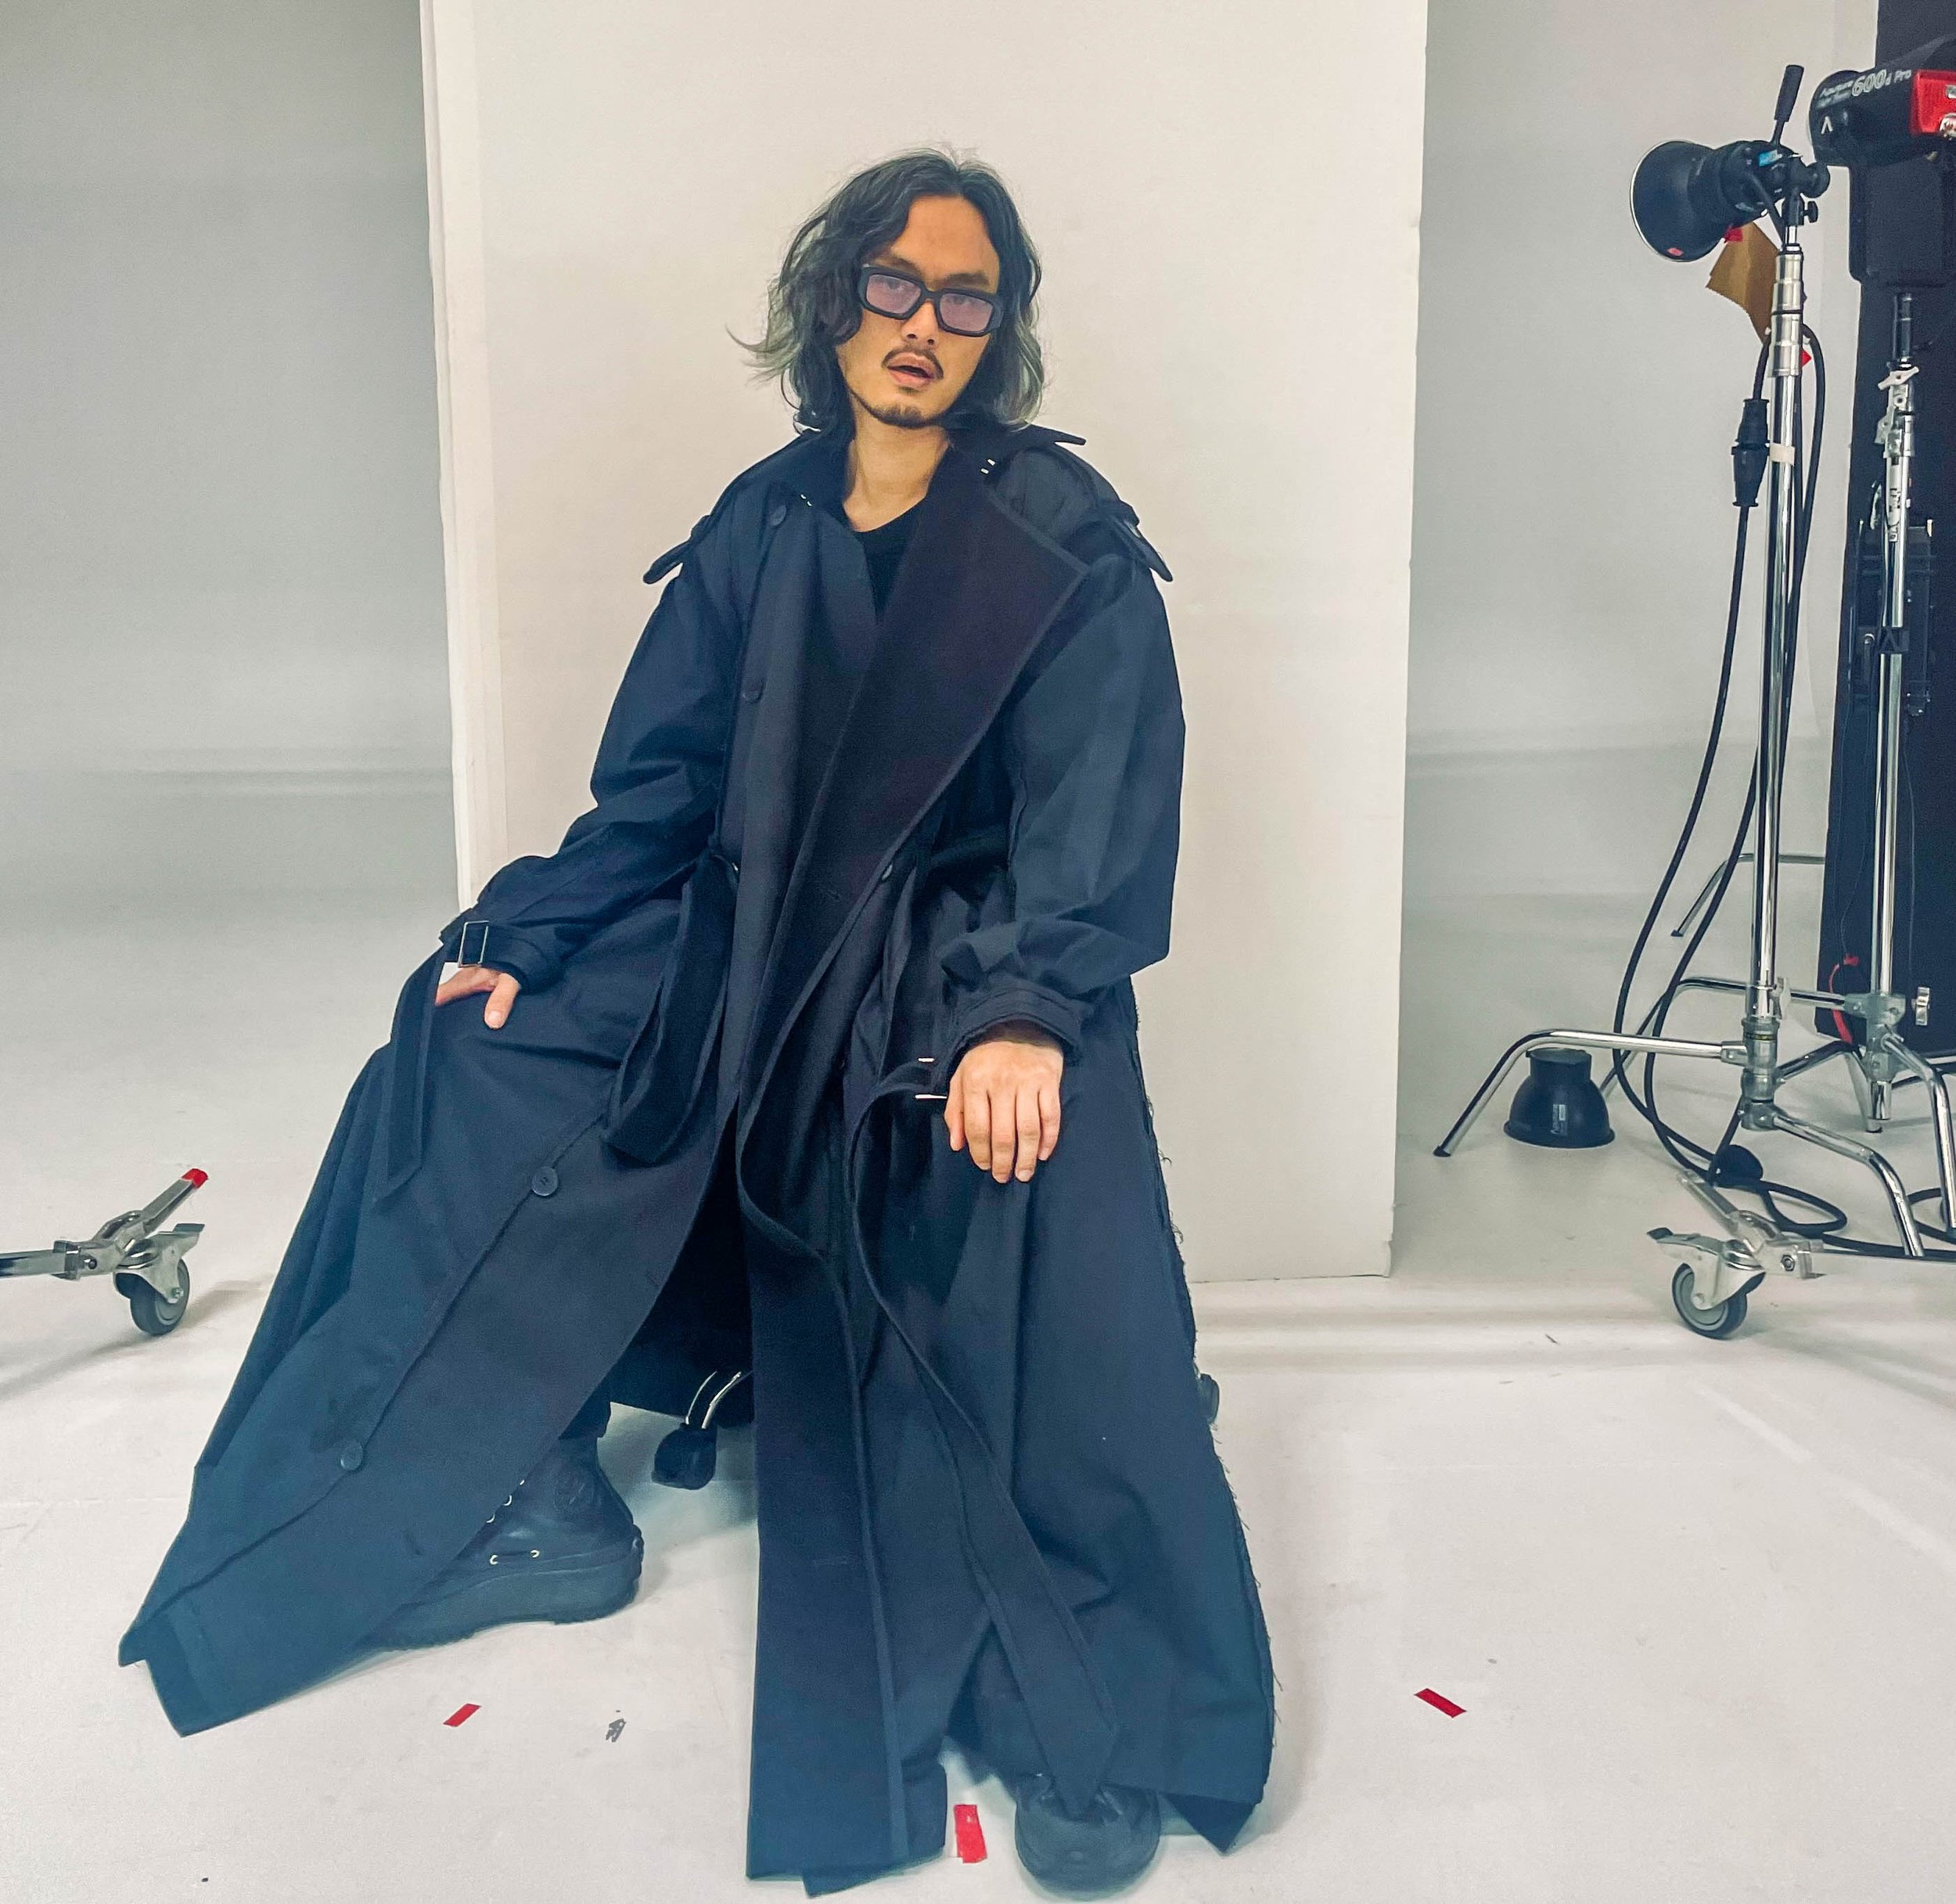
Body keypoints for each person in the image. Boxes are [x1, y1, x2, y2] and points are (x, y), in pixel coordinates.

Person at [120, 147, 1275, 1896]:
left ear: (997, 329)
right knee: (471, 1036)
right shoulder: (765, 520)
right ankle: (515, 1482)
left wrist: (1022, 1010)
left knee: (1022, 1177)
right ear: (835, 303)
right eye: (894, 284)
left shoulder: (1063, 548)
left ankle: (1067, 1690)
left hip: (942, 986)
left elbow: (1088, 817)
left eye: (966, 297)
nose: (924, 324)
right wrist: (535, 929)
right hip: (741, 957)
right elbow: (656, 793)